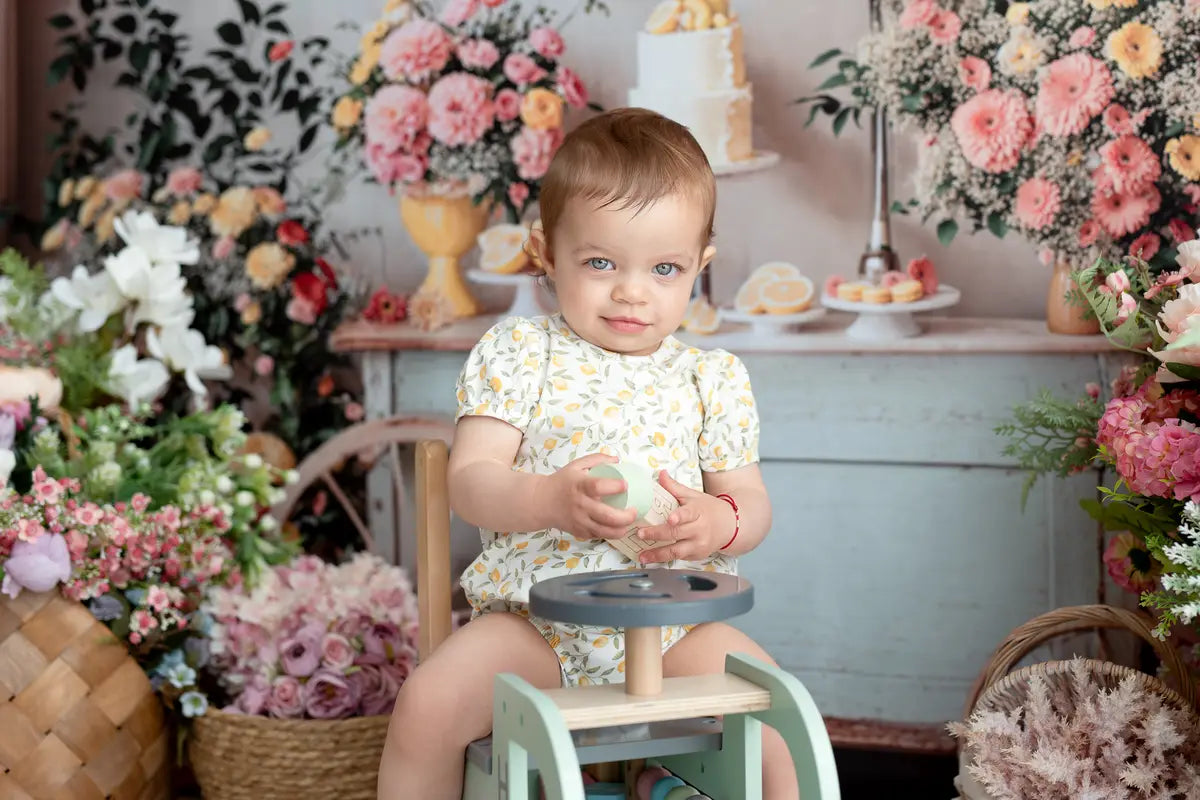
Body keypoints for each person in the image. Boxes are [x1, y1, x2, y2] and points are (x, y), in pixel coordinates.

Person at [378, 107, 797, 799]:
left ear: (700, 265)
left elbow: (750, 503)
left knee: (777, 720)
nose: (632, 291)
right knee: (426, 707)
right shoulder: (521, 355)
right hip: (535, 628)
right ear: (545, 252)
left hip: (675, 631)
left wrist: (717, 521)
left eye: (665, 268)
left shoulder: (709, 378)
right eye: (600, 262)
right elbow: (473, 481)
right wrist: (547, 498)